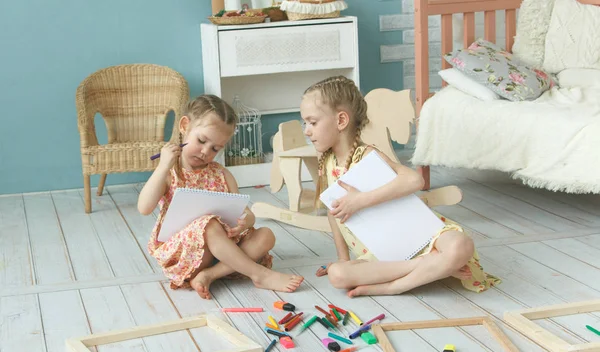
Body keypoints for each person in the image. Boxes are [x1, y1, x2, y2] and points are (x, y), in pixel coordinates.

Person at [300, 76, 499, 297]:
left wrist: (360, 200)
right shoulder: (327, 162)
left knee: (460, 245)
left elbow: (415, 180)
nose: (307, 131)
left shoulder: (366, 154)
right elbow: (333, 214)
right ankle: (428, 267)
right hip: (382, 255)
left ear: (341, 121)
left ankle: (394, 286)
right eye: (305, 123)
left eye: (312, 122)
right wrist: (343, 260)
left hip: (419, 237)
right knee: (338, 274)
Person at [138, 94, 304, 299]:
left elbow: (245, 213)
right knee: (209, 224)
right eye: (201, 141)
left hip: (224, 253)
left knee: (266, 235)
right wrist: (163, 166)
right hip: (186, 254)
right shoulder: (170, 172)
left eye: (215, 148)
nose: (205, 152)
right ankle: (258, 274)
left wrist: (245, 222)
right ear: (184, 126)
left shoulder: (222, 174)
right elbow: (144, 207)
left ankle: (211, 275)